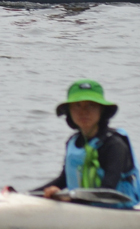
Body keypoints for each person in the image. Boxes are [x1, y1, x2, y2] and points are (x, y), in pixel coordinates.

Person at [38, 79, 140, 209]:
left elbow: (108, 192)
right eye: (77, 105)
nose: (83, 112)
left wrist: (69, 198)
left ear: (101, 110)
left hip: (119, 210)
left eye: (91, 105)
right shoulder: (73, 142)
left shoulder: (115, 145)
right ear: (69, 111)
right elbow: (63, 180)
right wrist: (25, 195)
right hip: (83, 205)